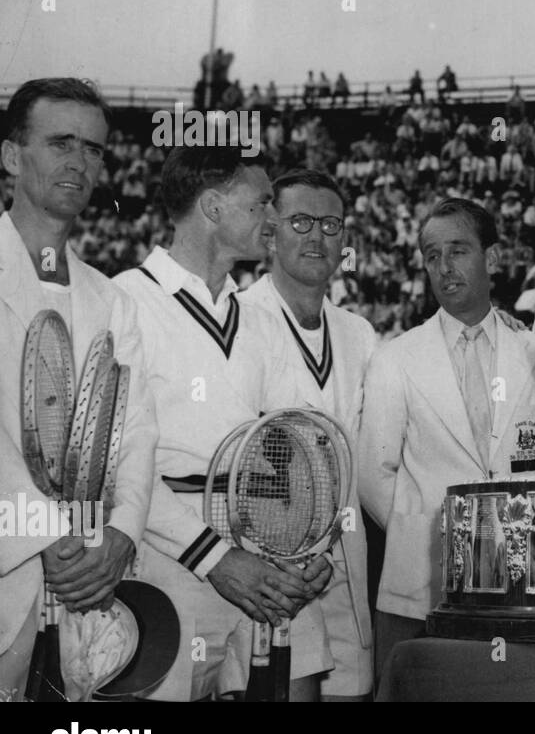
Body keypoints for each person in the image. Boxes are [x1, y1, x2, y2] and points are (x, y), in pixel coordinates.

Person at [114, 147, 332, 701]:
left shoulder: (259, 316)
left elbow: (298, 450)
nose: (275, 220)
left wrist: (313, 554)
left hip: (272, 552)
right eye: (262, 203)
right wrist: (215, 558)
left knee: (295, 691)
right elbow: (120, 466)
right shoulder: (124, 302)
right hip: (171, 557)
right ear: (212, 207)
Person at [358, 199, 535, 683]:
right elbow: (375, 474)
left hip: (522, 578)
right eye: (433, 255)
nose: (444, 267)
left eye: (458, 250)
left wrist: (519, 539)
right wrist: (427, 534)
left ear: (491, 259)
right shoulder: (395, 358)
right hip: (420, 581)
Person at [0, 78, 159, 697]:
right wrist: (45, 534)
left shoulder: (111, 298)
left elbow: (138, 429)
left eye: (93, 149)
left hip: (90, 582)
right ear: (12, 156)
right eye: (60, 142)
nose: (80, 161)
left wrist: (122, 534)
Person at [240, 169, 377, 701]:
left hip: (345, 555)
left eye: (330, 224)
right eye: (300, 221)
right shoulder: (239, 318)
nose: (317, 236)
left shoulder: (358, 332)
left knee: (353, 693)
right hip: (271, 566)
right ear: (270, 231)